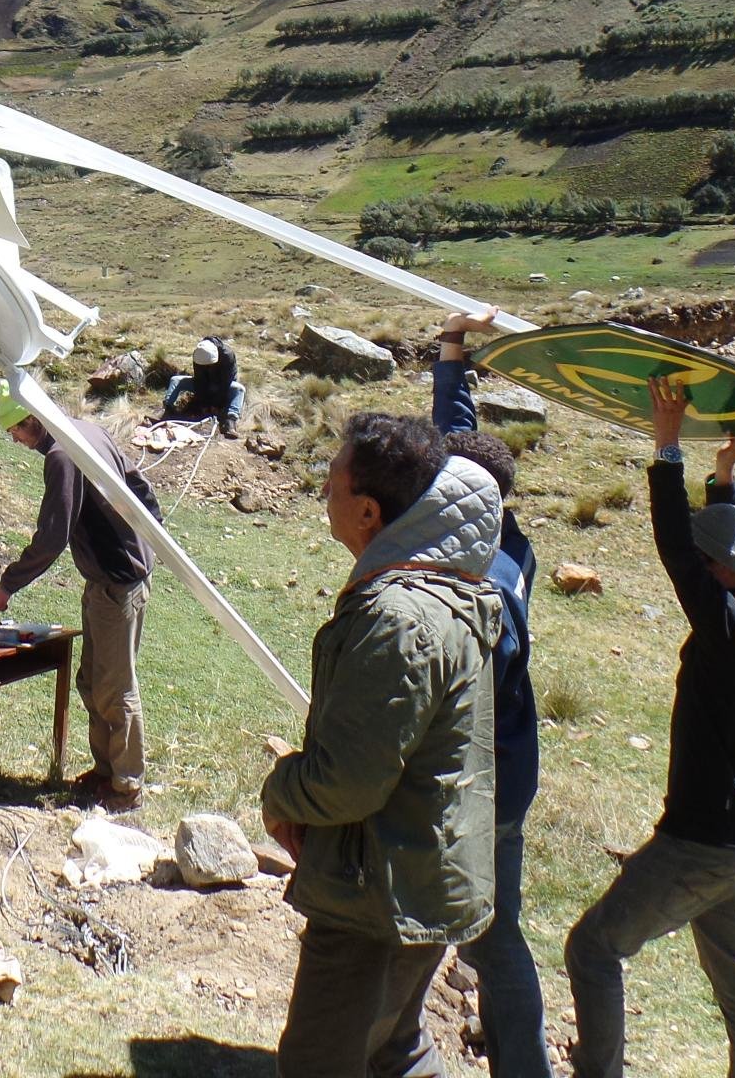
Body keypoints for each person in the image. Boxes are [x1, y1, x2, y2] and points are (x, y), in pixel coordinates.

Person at [261, 412, 503, 1078]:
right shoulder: (439, 597)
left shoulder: (398, 618)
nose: (324, 496)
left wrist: (280, 789)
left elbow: (347, 783)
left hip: (376, 897)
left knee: (321, 1062)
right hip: (415, 876)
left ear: (368, 511)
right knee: (393, 1050)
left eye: (333, 484)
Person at [565, 379, 735, 1078]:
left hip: (699, 840)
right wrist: (724, 475)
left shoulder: (725, 629)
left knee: (594, 948)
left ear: (720, 572)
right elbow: (723, 555)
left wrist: (666, 445)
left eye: (706, 562)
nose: (696, 568)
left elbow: (676, 549)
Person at [430, 308, 549, 1078]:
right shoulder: (507, 541)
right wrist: (452, 355)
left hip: (486, 779)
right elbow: (457, 442)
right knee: (489, 929)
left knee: (487, 931)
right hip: (507, 771)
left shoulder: (487, 588)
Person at [0, 382, 162, 812]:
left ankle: (127, 786)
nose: (14, 440)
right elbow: (139, 484)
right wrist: (150, 539)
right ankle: (105, 772)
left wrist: (7, 585)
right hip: (106, 578)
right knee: (92, 680)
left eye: (15, 431)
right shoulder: (87, 430)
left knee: (115, 687)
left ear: (31, 421)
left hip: (117, 582)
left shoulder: (62, 456)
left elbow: (51, 537)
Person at [159, 335, 245, 436]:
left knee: (239, 389)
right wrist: (203, 403)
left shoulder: (228, 355)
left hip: (222, 387)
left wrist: (216, 404)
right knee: (175, 380)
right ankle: (168, 410)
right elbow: (199, 380)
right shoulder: (199, 353)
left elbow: (225, 383)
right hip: (206, 385)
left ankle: (230, 421)